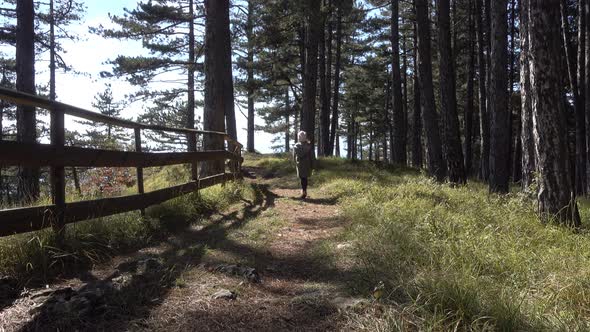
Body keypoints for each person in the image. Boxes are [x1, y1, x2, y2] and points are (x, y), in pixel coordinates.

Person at [293, 131, 315, 199]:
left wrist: (295, 163)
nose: (301, 137)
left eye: (301, 136)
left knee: (303, 178)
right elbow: (312, 157)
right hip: (304, 164)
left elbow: (295, 156)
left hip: (302, 164)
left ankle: (304, 191)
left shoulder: (296, 146)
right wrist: (313, 165)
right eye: (301, 136)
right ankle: (304, 191)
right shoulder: (308, 146)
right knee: (304, 178)